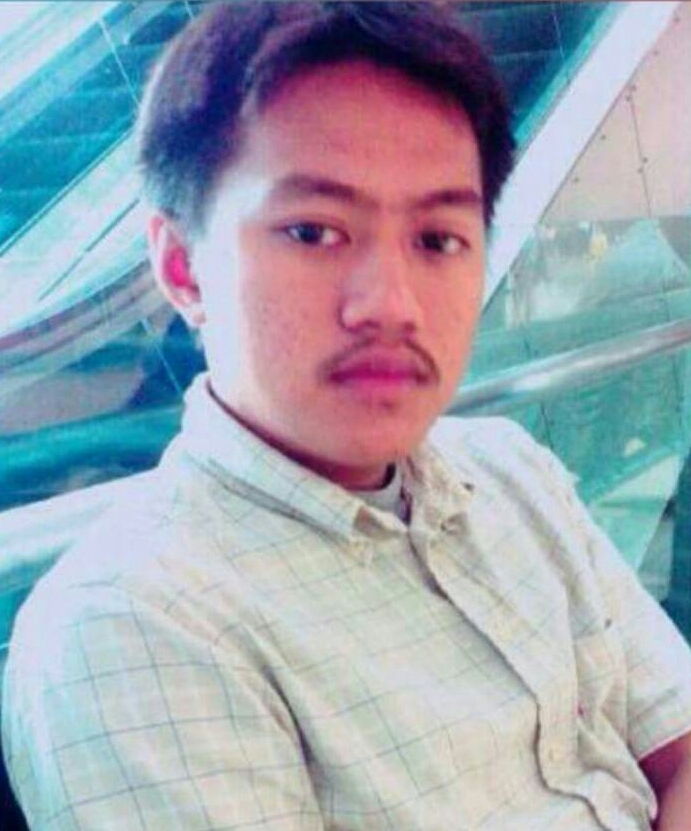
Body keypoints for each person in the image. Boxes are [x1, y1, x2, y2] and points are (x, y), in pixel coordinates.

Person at [3, 3, 691, 829]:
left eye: (437, 240)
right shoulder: (130, 628)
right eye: (313, 231)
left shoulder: (508, 469)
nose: (391, 304)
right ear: (182, 268)